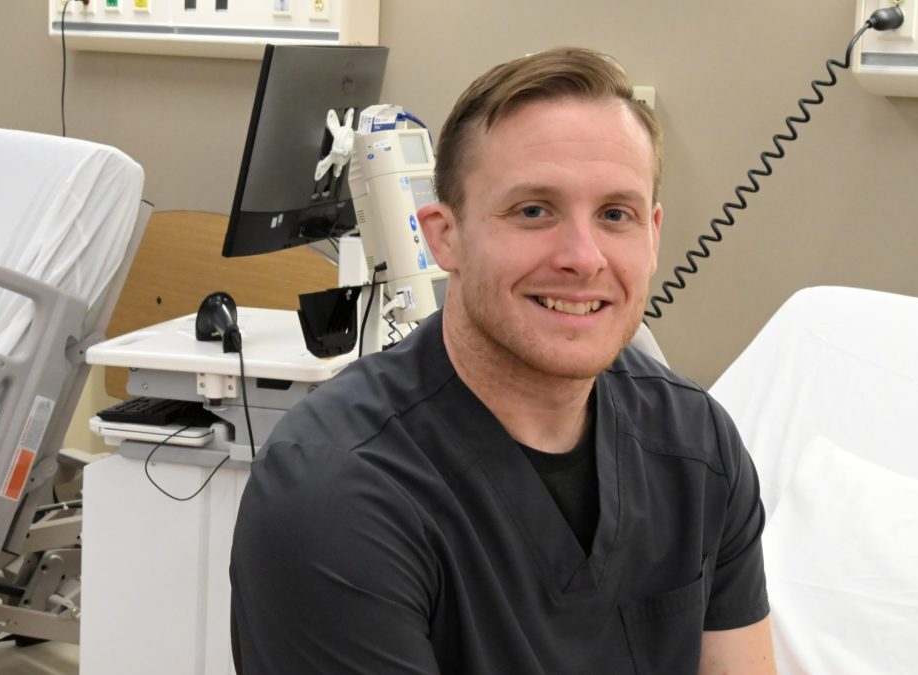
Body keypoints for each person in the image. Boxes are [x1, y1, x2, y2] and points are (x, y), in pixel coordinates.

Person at [230, 47, 773, 674]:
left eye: (615, 215)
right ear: (443, 235)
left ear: (652, 235)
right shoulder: (335, 493)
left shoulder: (697, 447)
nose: (583, 257)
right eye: (534, 211)